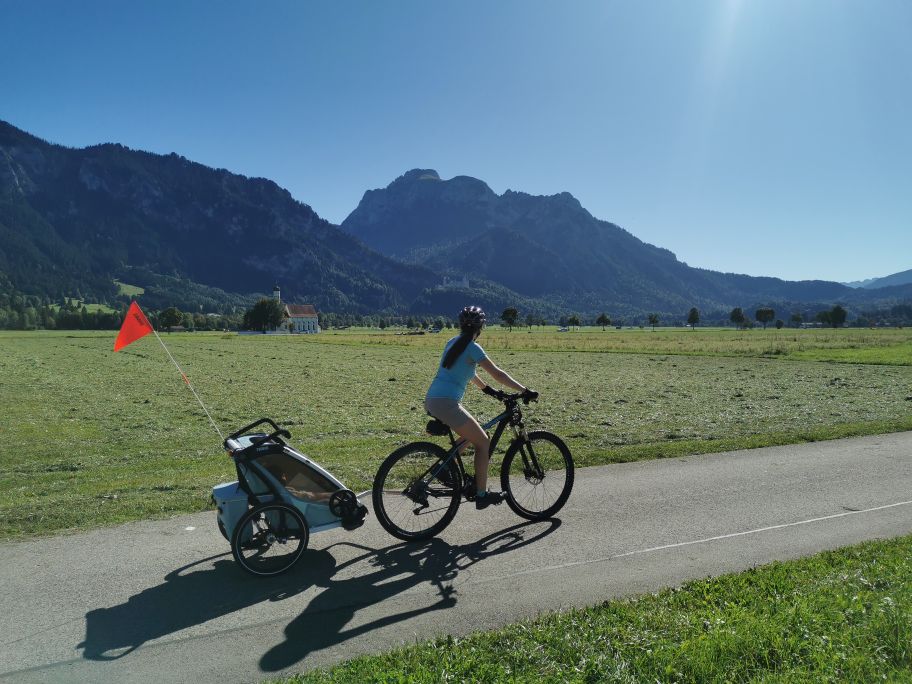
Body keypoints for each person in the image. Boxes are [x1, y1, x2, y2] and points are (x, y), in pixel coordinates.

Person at [424, 305, 537, 510]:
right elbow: (498, 374)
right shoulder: (473, 347)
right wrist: (524, 390)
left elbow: (469, 372)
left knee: (475, 432)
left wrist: (489, 391)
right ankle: (481, 494)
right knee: (483, 442)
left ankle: (443, 468)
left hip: (434, 399)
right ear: (481, 327)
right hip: (446, 402)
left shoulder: (453, 342)